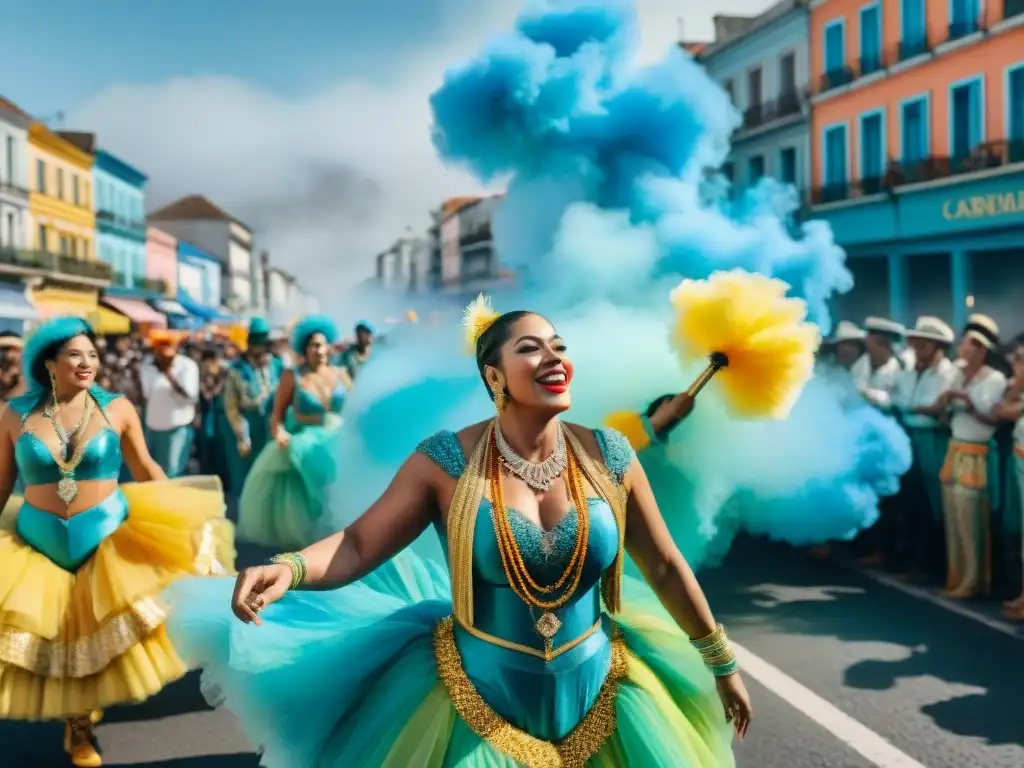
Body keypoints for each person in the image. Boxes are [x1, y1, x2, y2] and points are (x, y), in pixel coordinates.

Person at [168, 307, 750, 767]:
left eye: (559, 347)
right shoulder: (446, 461)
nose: (554, 357)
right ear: (494, 376)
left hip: (603, 695)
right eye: (531, 348)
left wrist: (720, 661)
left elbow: (666, 565)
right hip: (474, 703)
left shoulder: (610, 455)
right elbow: (360, 545)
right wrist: (290, 569)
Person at [0, 317, 234, 767]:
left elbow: (145, 468)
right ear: (49, 362)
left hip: (108, 540)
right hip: (36, 544)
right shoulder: (15, 415)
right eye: (75, 355)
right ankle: (78, 724)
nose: (87, 362)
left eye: (92, 354)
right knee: (58, 641)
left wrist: (187, 512)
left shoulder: (118, 408)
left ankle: (82, 727)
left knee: (92, 639)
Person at [237, 315, 351, 548]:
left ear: (328, 347)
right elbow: (277, 415)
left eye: (320, 344)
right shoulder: (293, 376)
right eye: (311, 345)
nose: (317, 350)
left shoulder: (342, 375)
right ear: (304, 349)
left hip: (337, 442)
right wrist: (280, 434)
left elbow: (355, 410)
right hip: (303, 445)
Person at [938, 314, 1007, 599]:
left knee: (972, 523)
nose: (961, 350)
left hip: (976, 452)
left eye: (967, 345)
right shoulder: (955, 373)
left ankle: (974, 580)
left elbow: (992, 419)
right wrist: (944, 402)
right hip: (954, 447)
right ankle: (956, 576)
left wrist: (967, 402)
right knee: (953, 520)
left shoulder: (995, 379)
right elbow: (944, 416)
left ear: (981, 348)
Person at [890, 316, 958, 579]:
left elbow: (939, 410)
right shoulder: (908, 373)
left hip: (933, 439)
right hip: (910, 435)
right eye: (916, 344)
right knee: (912, 498)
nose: (917, 349)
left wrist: (921, 409)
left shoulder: (948, 374)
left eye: (923, 345)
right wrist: (922, 409)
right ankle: (913, 561)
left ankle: (933, 565)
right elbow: (901, 400)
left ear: (938, 346)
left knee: (935, 502)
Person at [219, 318, 283, 496]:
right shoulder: (236, 370)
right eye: (256, 344)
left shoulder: (277, 365)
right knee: (246, 479)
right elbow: (231, 406)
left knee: (270, 476)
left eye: (263, 344)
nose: (259, 349)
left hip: (271, 425)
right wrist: (242, 435)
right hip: (247, 425)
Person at [140, 330, 200, 478]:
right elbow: (147, 394)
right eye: (158, 351)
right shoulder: (147, 366)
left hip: (177, 429)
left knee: (172, 473)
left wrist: (169, 376)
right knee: (152, 472)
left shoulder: (187, 366)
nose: (161, 356)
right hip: (153, 428)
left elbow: (190, 398)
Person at [995, 335, 1024, 620]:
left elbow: (1005, 411)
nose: (1015, 365)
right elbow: (1003, 409)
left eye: (1020, 360)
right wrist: (1018, 382)